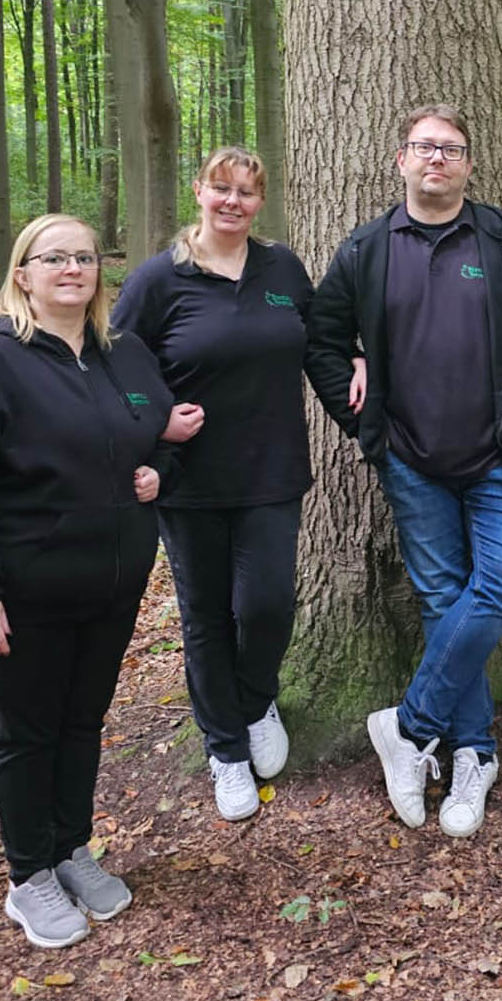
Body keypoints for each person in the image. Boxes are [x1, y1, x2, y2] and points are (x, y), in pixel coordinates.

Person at [305, 103, 502, 838]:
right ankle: (471, 754)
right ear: (401, 160)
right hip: (412, 460)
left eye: (451, 149)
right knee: (442, 599)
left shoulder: (501, 240)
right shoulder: (367, 249)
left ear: (467, 164)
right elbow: (323, 340)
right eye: (424, 147)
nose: (437, 159)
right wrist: (361, 418)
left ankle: (409, 723)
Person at [0, 214, 176, 949]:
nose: (72, 269)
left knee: (83, 722)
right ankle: (28, 873)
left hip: (113, 580)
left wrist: (163, 467)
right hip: (26, 588)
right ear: (24, 273)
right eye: (54, 258)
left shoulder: (122, 356)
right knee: (30, 732)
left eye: (86, 257)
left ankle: (71, 847)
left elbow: (161, 429)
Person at [113, 147, 364, 824]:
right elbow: (116, 367)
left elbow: (318, 340)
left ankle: (255, 702)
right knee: (204, 617)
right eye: (220, 189)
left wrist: (360, 358)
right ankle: (225, 751)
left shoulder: (281, 267)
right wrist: (157, 419)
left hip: (272, 471)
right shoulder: (159, 280)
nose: (232, 202)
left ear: (261, 201)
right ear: (198, 191)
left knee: (265, 605)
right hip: (188, 481)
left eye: (246, 193)